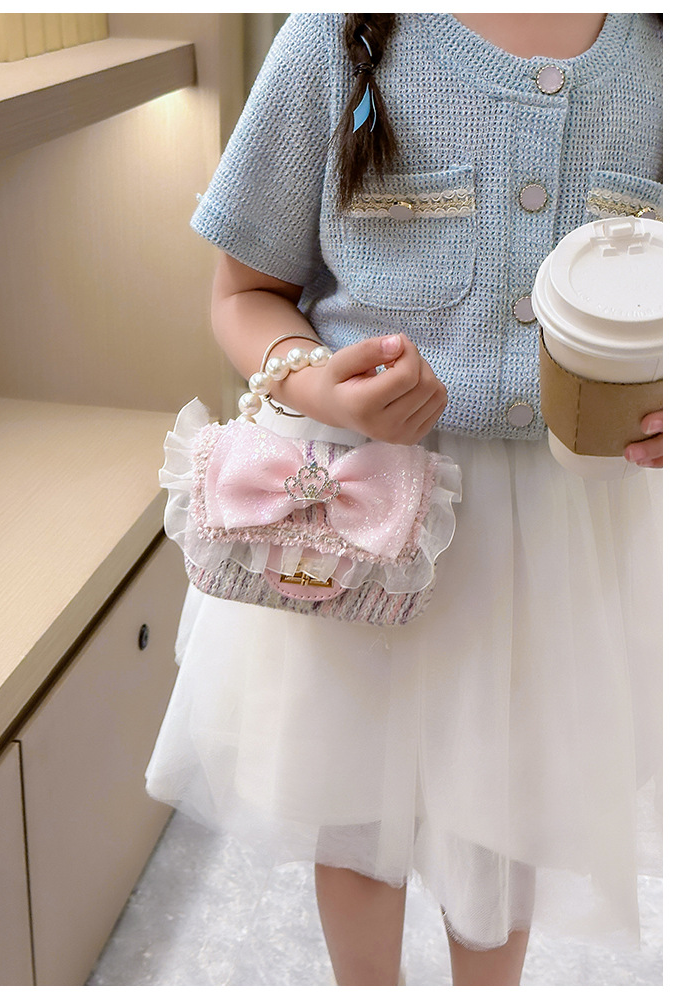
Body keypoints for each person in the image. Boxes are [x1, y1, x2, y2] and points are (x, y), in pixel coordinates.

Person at [146, 13, 663, 986]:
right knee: (352, 813)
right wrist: (315, 382)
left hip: (553, 540)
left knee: (504, 819)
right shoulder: (334, 36)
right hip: (362, 519)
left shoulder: (654, 51)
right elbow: (244, 291)